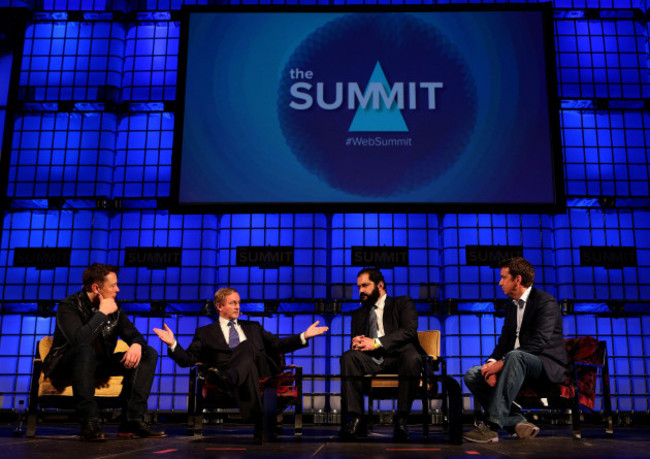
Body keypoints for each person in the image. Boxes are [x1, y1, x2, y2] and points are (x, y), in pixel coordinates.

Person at [153, 287, 328, 438]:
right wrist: (172, 344)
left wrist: (304, 335)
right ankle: (256, 416)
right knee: (247, 360)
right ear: (219, 306)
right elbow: (188, 360)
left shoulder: (253, 327)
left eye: (238, 302)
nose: (238, 306)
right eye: (233, 303)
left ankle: (228, 378)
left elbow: (277, 345)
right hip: (238, 371)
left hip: (256, 370)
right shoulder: (204, 332)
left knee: (246, 346)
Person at [42, 263, 166, 441]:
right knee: (85, 350)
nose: (118, 289)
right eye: (113, 285)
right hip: (67, 364)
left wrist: (136, 345)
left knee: (149, 353)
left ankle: (132, 420)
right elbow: (80, 341)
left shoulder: (115, 309)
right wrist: (102, 313)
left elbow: (134, 335)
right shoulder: (68, 306)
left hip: (99, 363)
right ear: (96, 288)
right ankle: (89, 421)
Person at [463, 257, 568, 443]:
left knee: (515, 356)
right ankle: (517, 423)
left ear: (517, 280)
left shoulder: (546, 302)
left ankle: (491, 426)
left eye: (504, 277)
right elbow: (503, 342)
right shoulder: (511, 307)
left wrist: (502, 364)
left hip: (543, 367)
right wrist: (491, 365)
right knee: (473, 374)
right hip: (514, 364)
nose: (499, 282)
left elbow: (539, 342)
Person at [339, 268, 424, 442]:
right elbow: (358, 343)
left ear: (380, 285)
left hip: (399, 357)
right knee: (348, 357)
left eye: (365, 286)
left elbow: (409, 331)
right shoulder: (359, 313)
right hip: (372, 360)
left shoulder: (402, 303)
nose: (360, 291)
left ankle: (401, 420)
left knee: (412, 357)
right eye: (358, 287)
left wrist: (376, 342)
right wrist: (357, 342)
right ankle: (356, 418)